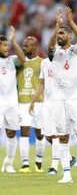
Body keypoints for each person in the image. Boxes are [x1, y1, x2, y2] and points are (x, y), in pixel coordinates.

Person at [47, 7, 77, 183]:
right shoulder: (54, 53)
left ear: (69, 36)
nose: (59, 36)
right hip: (58, 99)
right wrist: (56, 26)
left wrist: (70, 22)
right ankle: (66, 174)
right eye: (58, 33)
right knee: (63, 136)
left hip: (76, 98)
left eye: (62, 33)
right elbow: (49, 46)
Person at [28, 58, 77, 175]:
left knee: (56, 135)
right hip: (47, 104)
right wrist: (33, 101)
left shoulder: (63, 61)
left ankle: (53, 168)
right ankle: (69, 158)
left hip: (59, 102)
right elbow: (41, 84)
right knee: (49, 137)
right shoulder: (44, 63)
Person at [14, 32, 46, 173]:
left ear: (35, 47)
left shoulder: (42, 62)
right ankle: (25, 164)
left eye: (26, 46)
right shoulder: (19, 62)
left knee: (40, 133)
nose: (24, 48)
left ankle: (38, 163)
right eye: (23, 46)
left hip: (39, 102)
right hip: (23, 102)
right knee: (24, 131)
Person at [0, 27, 26, 173]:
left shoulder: (12, 60)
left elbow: (22, 59)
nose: (6, 48)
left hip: (11, 103)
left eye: (7, 45)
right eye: (4, 45)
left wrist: (13, 41)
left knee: (11, 133)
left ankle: (9, 162)